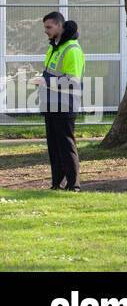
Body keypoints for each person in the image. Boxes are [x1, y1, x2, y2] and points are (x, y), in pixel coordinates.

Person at [38, 12, 84, 191]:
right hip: (51, 102)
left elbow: (73, 81)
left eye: (49, 27)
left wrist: (45, 82)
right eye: (45, 27)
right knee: (54, 146)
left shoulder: (72, 50)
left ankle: (74, 185)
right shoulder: (54, 47)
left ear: (59, 26)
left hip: (65, 104)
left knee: (66, 145)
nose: (46, 31)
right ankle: (57, 183)